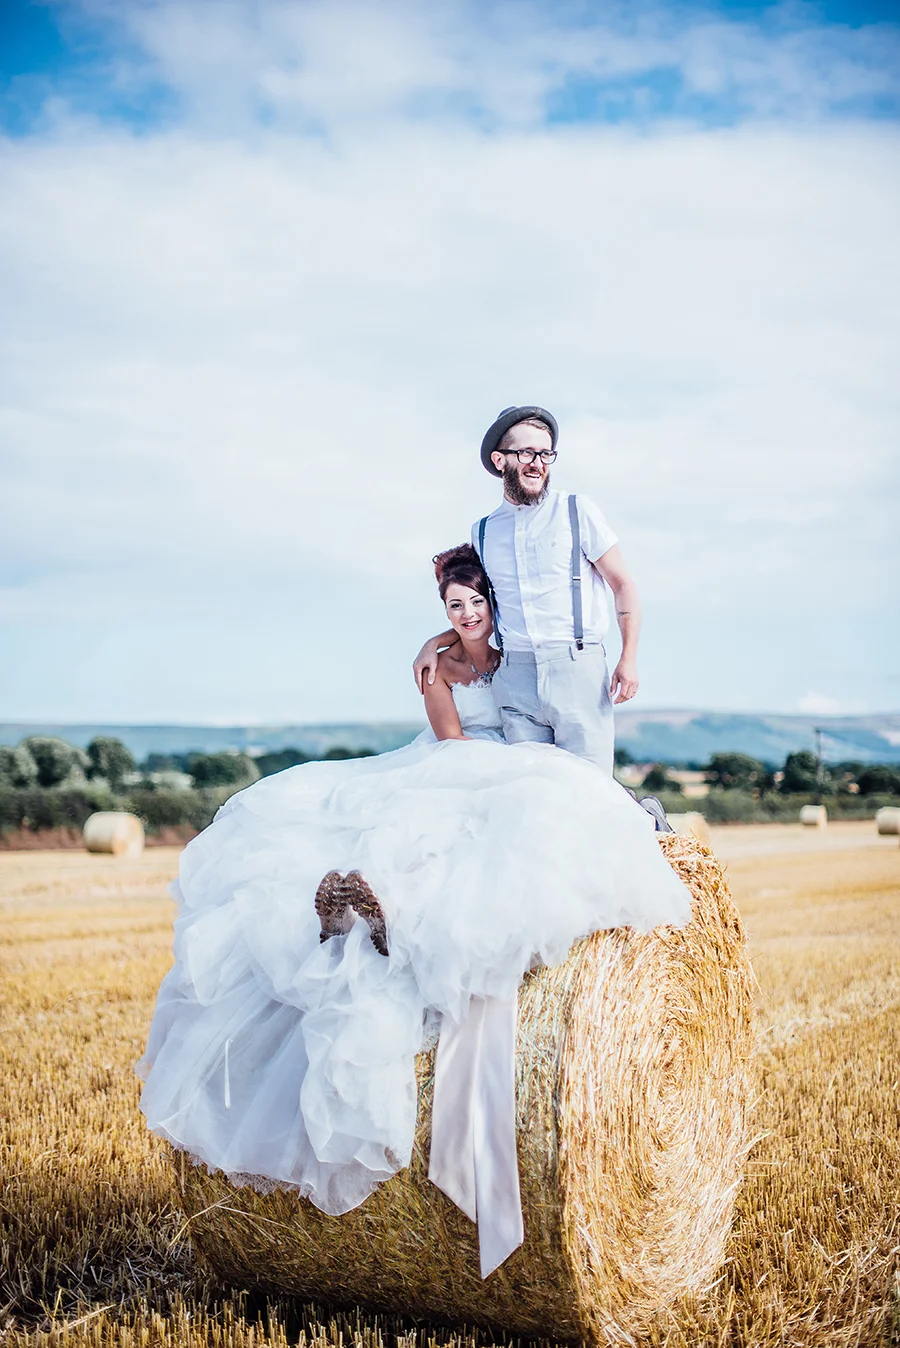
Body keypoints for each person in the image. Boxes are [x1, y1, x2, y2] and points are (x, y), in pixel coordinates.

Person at [136, 545, 691, 1278]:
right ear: (445, 612)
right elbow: (453, 748)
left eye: (476, 603)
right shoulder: (438, 671)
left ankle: (385, 907)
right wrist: (441, 658)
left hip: (516, 765)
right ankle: (368, 905)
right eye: (454, 607)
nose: (467, 614)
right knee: (437, 843)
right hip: (459, 768)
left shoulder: (513, 653)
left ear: (491, 603)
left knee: (518, 846)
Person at [414, 405, 638, 778]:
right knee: (528, 792)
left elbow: (623, 584)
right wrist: (434, 643)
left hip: (577, 668)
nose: (538, 463)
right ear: (500, 460)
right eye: (526, 453)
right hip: (515, 677)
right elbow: (480, 609)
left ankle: (643, 810)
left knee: (591, 788)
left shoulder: (576, 511)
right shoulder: (483, 531)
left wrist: (628, 658)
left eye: (546, 454)